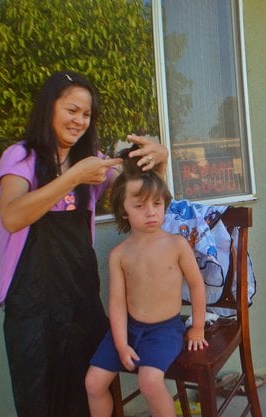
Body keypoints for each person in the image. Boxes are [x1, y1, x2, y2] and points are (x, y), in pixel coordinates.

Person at [0, 70, 168, 417]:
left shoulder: (94, 163)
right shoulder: (20, 157)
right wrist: (72, 177)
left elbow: (142, 201)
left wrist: (161, 160)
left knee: (90, 394)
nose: (79, 121)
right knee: (39, 398)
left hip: (80, 301)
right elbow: (12, 217)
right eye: (71, 110)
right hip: (31, 307)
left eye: (86, 115)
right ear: (49, 108)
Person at [85, 146, 209, 417]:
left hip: (165, 330)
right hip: (128, 329)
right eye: (140, 205)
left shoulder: (177, 245)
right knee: (93, 383)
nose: (151, 212)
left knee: (149, 382)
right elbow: (117, 302)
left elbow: (197, 285)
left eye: (157, 204)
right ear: (124, 210)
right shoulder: (119, 255)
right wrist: (119, 343)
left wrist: (197, 327)